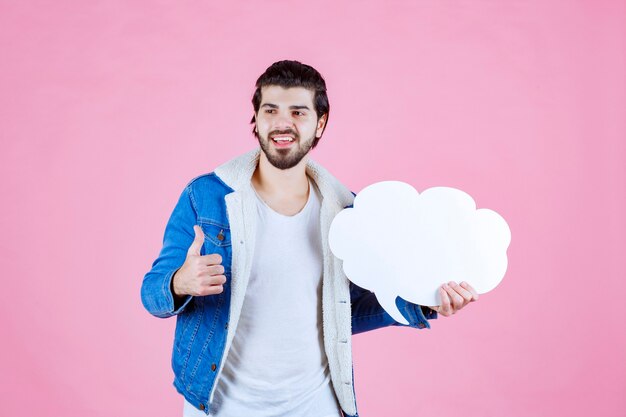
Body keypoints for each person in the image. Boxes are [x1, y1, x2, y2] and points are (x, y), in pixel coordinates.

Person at [140, 60, 479, 417]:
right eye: (270, 110)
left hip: (315, 406)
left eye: (298, 112)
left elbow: (348, 310)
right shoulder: (205, 197)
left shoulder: (348, 213)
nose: (282, 123)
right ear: (255, 120)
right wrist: (181, 282)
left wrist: (426, 301)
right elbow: (152, 294)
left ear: (320, 124)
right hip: (217, 406)